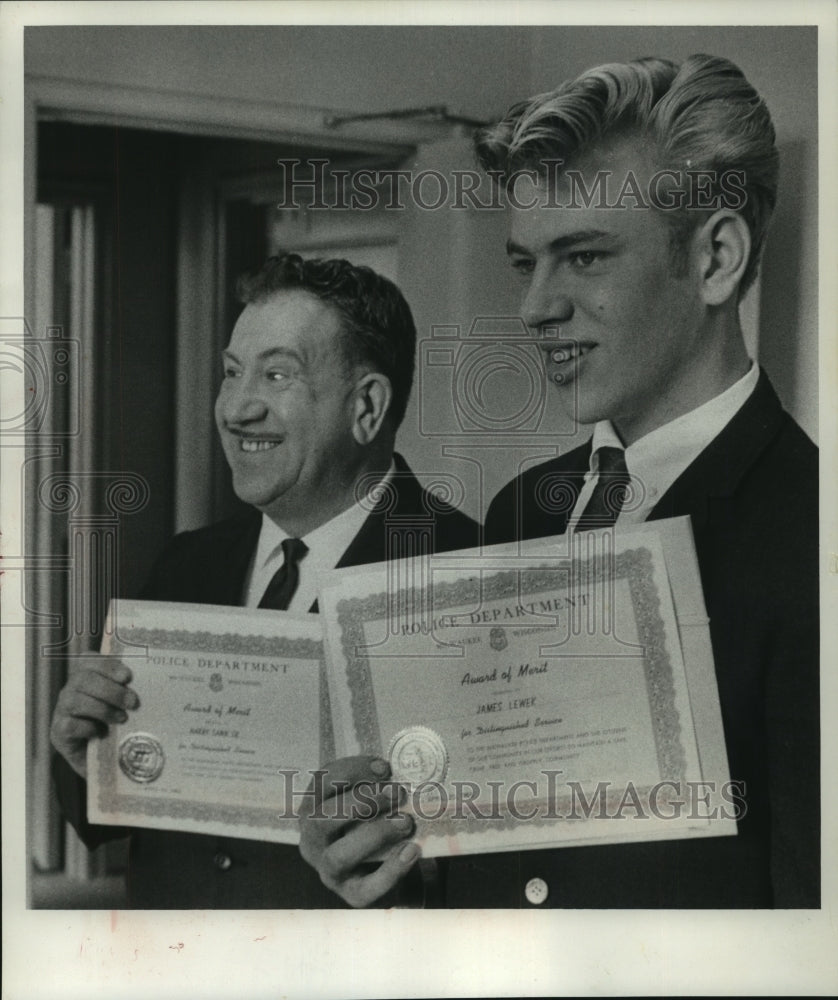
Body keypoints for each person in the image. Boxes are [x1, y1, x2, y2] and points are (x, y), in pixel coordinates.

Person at [298, 54, 819, 908]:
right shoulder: (523, 506)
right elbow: (507, 858)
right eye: (523, 264)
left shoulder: (814, 533)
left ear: (717, 257)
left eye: (582, 258)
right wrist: (383, 864)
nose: (535, 307)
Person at [49, 253, 480, 908]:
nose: (235, 409)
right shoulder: (185, 564)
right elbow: (125, 807)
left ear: (366, 406)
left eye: (276, 374)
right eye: (230, 373)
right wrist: (86, 763)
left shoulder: (475, 572)